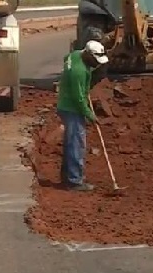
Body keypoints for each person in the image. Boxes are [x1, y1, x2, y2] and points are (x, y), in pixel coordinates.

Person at [55, 40, 109, 191]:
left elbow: (66, 58)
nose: (97, 64)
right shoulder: (78, 72)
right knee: (77, 144)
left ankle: (67, 177)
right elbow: (78, 99)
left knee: (71, 143)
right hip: (72, 108)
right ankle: (74, 181)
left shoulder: (75, 55)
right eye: (95, 61)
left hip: (66, 104)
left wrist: (84, 90)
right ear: (89, 55)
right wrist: (91, 115)